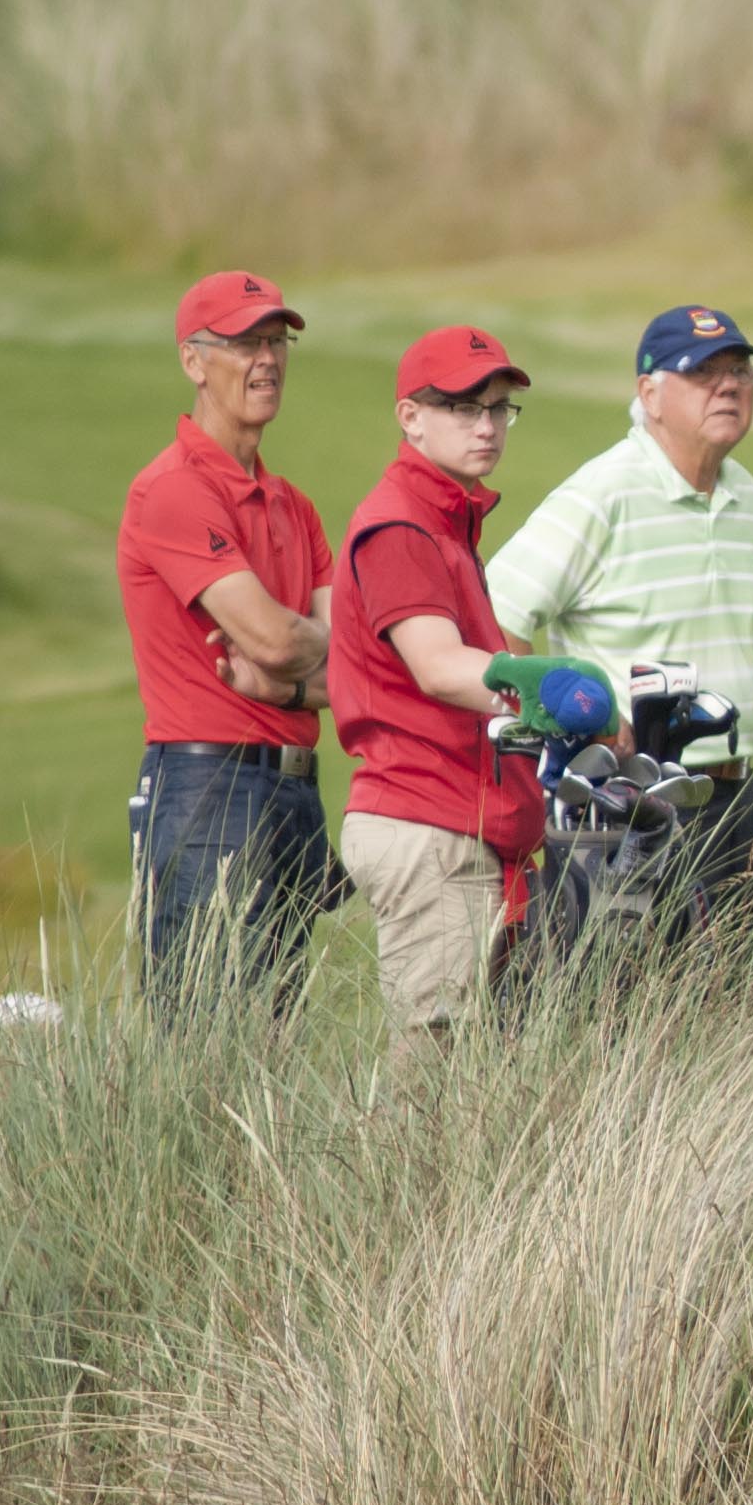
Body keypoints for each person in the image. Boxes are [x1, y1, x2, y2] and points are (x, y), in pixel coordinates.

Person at [485, 303, 753, 1010]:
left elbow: (720, 619)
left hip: (735, 796)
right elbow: (501, 611)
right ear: (649, 393)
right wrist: (576, 728)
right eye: (703, 372)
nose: (728, 386)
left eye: (739, 370)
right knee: (640, 1018)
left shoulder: (744, 496)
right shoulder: (604, 491)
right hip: (630, 800)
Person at [328, 325, 601, 1060]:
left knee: (467, 1076)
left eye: (499, 407)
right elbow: (439, 667)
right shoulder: (400, 526)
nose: (485, 425)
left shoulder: (448, 523)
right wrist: (537, 683)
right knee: (430, 1076)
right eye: (460, 406)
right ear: (410, 417)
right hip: (428, 824)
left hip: (460, 825)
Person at [115, 270, 341, 1018]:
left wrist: (291, 685)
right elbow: (279, 639)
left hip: (292, 788)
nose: (267, 360)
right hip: (209, 788)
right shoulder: (173, 488)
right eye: (245, 343)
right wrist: (303, 657)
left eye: (277, 341)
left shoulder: (294, 505)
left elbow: (351, 666)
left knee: (275, 1038)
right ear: (193, 361)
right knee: (208, 1042)